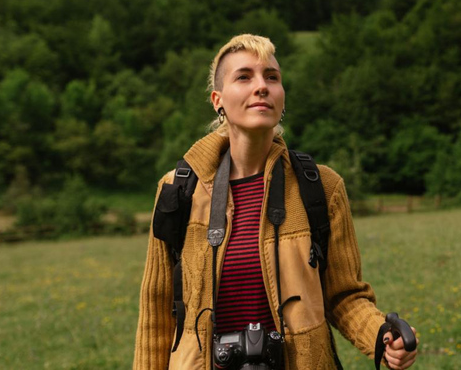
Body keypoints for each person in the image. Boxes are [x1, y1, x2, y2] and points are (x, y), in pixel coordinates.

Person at [134, 34, 418, 369]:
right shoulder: (178, 190)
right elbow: (156, 315)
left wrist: (381, 334)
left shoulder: (322, 188)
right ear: (217, 100)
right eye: (244, 76)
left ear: (282, 97)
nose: (262, 86)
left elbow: (344, 296)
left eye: (272, 77)